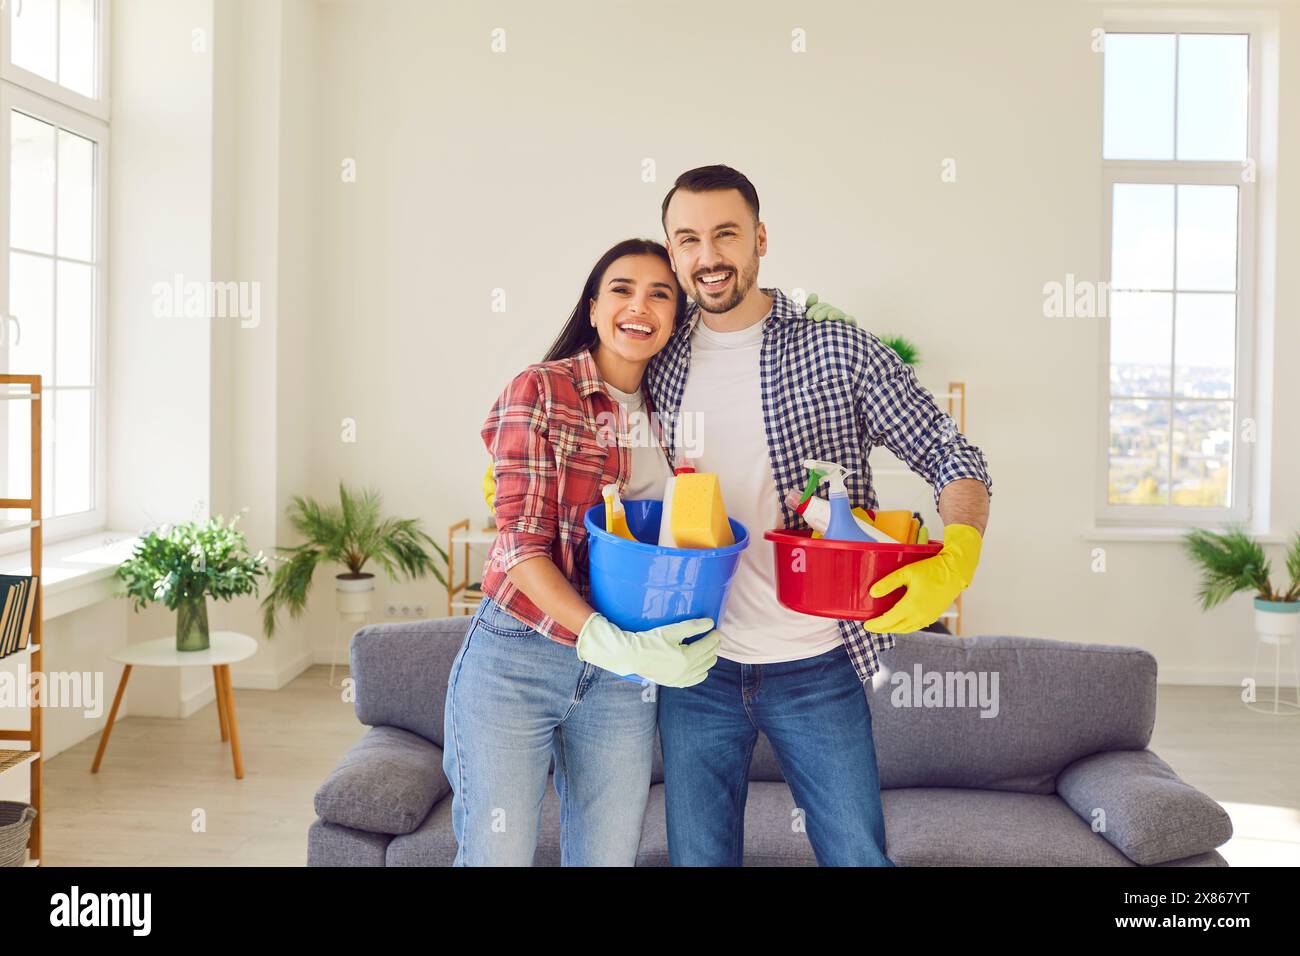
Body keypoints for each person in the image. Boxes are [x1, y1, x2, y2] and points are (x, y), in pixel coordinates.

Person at [648, 165, 993, 866]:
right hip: (695, 666)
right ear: (672, 250)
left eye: (725, 234)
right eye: (688, 239)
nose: (708, 256)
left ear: (760, 239)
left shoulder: (839, 350)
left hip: (817, 664)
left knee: (857, 857)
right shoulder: (656, 358)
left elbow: (952, 454)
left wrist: (958, 556)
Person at [442, 238, 718, 867]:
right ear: (593, 308)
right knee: (498, 854)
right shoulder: (539, 390)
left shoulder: (678, 416)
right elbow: (518, 545)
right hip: (520, 656)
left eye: (660, 294)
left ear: (676, 318)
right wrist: (600, 634)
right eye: (621, 289)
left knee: (607, 858)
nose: (639, 306)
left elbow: (685, 545)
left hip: (624, 679)